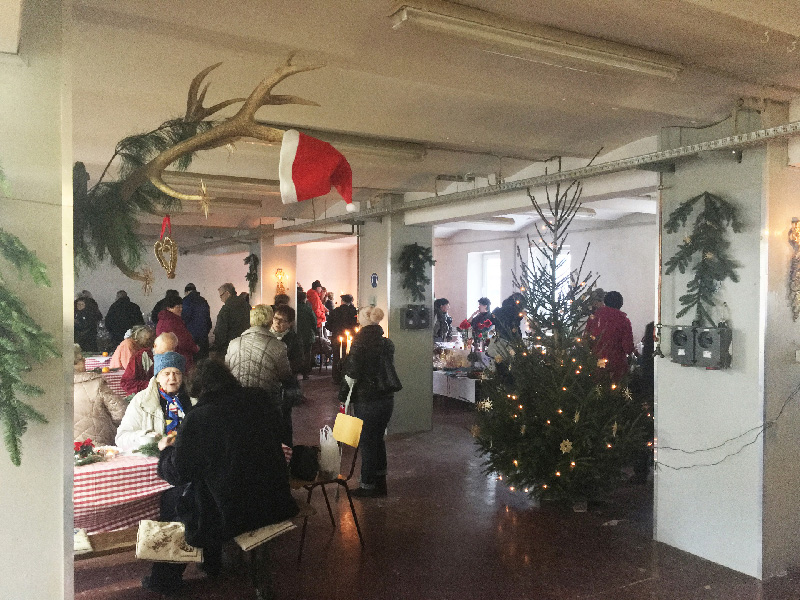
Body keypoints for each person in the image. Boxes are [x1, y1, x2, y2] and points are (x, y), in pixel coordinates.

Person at [141, 360, 298, 594]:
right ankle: (211, 563)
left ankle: (165, 579)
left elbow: (178, 473)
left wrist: (166, 451)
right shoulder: (260, 400)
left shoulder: (200, 416)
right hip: (275, 499)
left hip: (235, 512)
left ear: (198, 388)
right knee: (213, 484)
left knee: (174, 500)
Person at [340, 306, 400, 498]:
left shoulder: (360, 343)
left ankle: (367, 485)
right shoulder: (386, 343)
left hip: (367, 398)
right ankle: (380, 479)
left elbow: (352, 374)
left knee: (366, 441)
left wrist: (343, 395)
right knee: (378, 438)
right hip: (386, 398)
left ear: (363, 320)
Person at [225, 304, 293, 444]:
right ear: (269, 322)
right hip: (266, 403)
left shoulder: (233, 343)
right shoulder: (278, 346)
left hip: (238, 402)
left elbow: (226, 371)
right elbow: (285, 375)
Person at [115, 351, 190, 453]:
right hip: (154, 459)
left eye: (177, 373)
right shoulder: (142, 400)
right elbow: (121, 438)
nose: (172, 378)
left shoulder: (192, 399)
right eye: (166, 374)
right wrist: (145, 438)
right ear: (157, 378)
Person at [73, 344, 127, 446]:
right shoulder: (96, 384)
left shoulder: (53, 388)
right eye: (80, 359)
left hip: (67, 449)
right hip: (100, 445)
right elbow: (121, 413)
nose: (85, 360)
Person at [585, 290, 635, 383]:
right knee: (614, 393)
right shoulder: (624, 321)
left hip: (594, 362)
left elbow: (586, 339)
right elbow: (628, 347)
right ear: (621, 304)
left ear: (605, 301)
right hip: (616, 364)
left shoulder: (594, 317)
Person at [120, 332, 177, 396]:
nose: (166, 356)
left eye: (170, 352)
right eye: (163, 352)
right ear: (155, 346)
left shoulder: (175, 358)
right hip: (143, 397)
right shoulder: (141, 357)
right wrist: (154, 385)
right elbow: (127, 383)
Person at [156, 295, 199, 373]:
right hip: (179, 357)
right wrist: (195, 348)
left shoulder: (163, 320)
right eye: (178, 307)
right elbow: (182, 341)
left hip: (168, 357)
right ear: (169, 308)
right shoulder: (172, 321)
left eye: (181, 306)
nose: (181, 309)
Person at [211, 283, 251, 355]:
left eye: (221, 296)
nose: (221, 299)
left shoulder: (226, 309)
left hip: (230, 347)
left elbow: (220, 331)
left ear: (227, 293)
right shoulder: (247, 306)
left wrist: (218, 347)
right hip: (246, 345)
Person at [327, 294, 358, 384]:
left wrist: (334, 330)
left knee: (337, 357)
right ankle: (347, 377)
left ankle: (336, 377)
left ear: (342, 301)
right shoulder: (354, 312)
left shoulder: (336, 311)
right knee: (349, 357)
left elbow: (328, 325)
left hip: (337, 337)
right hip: (350, 338)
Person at [182, 283, 212, 361]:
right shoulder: (203, 301)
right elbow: (208, 321)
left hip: (191, 338)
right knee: (204, 363)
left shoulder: (185, 301)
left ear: (187, 292)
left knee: (193, 365)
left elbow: (183, 320)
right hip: (204, 337)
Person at [296, 290, 317, 379]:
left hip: (297, 334)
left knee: (297, 353)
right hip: (307, 335)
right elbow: (314, 321)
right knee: (307, 354)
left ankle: (296, 371)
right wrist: (314, 331)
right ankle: (305, 373)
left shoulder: (295, 308)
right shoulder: (308, 308)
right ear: (305, 299)